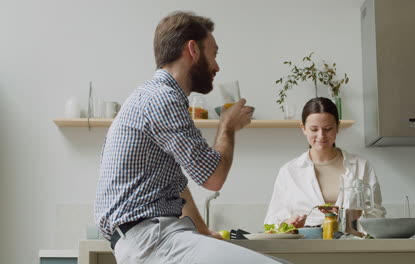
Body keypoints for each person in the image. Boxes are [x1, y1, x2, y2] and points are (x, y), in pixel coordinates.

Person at [94, 11, 289, 264]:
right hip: (152, 240)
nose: (217, 66)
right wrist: (227, 127)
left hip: (147, 238)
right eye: (214, 54)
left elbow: (177, 184)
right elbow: (213, 177)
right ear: (193, 49)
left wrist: (202, 230)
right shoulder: (163, 98)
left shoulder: (150, 97)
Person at [264, 97, 386, 237]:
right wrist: (288, 224)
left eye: (328, 129)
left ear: (337, 127)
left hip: (352, 248)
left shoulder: (361, 166)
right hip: (304, 250)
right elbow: (271, 222)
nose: (321, 136)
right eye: (314, 129)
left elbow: (377, 215)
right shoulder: (289, 172)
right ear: (303, 128)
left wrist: (349, 215)